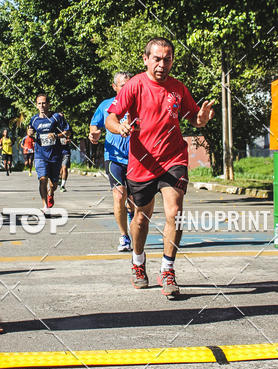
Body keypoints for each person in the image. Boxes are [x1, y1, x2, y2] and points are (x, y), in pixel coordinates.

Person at [105, 38, 215, 298]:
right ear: (146, 59)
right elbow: (111, 117)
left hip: (173, 160)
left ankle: (167, 269)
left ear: (172, 61)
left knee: (174, 212)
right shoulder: (134, 86)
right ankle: (138, 261)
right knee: (142, 218)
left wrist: (201, 119)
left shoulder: (178, 88)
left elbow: (194, 118)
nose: (161, 64)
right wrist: (119, 127)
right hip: (142, 163)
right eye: (156, 58)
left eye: (167, 59)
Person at [89, 71, 135, 252]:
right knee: (119, 194)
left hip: (136, 159)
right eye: (123, 86)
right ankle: (124, 236)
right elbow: (95, 125)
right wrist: (95, 134)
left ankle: (134, 230)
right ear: (115, 87)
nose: (127, 89)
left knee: (133, 202)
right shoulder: (106, 105)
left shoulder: (139, 104)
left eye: (130, 85)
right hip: (113, 158)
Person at [28, 93, 71, 210]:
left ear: (48, 104)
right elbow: (30, 133)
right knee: (42, 179)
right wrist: (30, 134)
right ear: (36, 105)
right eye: (39, 103)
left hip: (55, 155)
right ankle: (44, 206)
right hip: (40, 154)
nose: (41, 106)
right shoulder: (34, 119)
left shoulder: (56, 117)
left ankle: (51, 193)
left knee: (53, 184)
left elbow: (67, 132)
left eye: (44, 103)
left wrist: (56, 136)